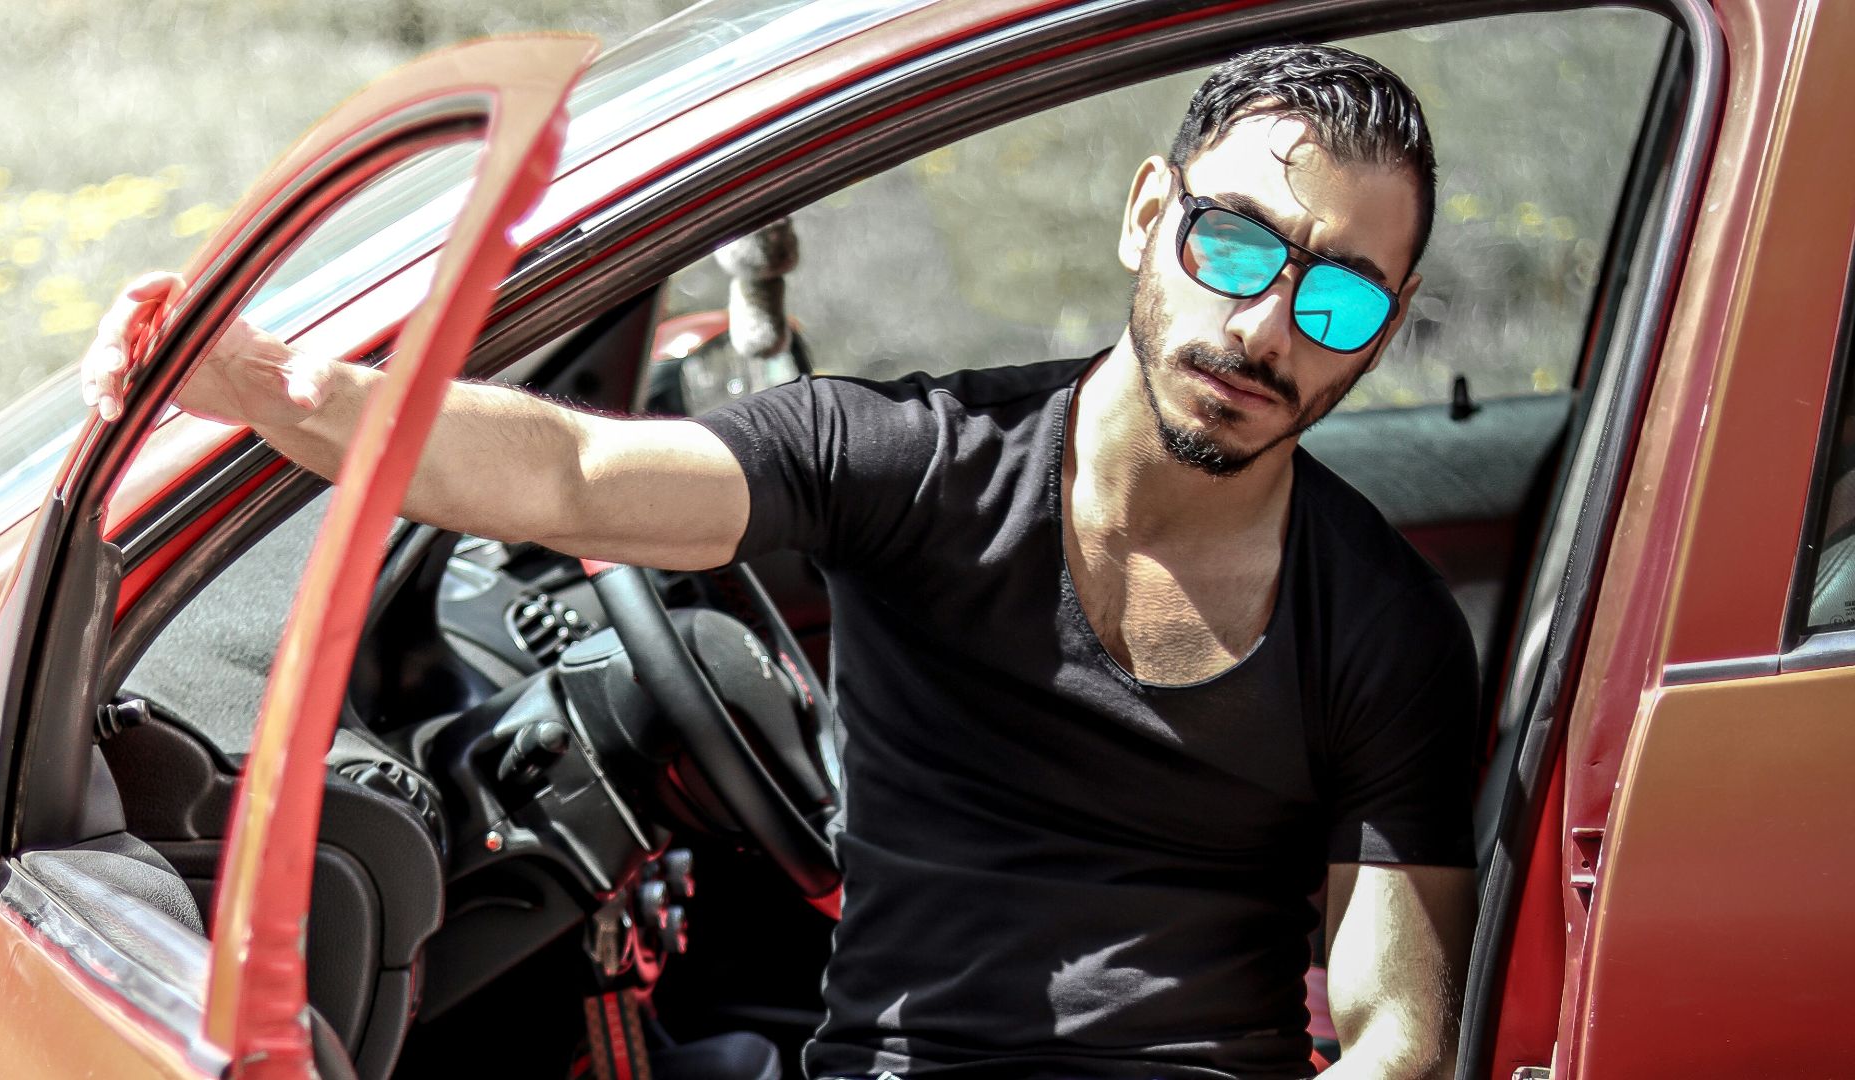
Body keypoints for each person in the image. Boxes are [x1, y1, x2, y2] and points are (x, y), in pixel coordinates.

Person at [84, 43, 1478, 1080]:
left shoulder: (1383, 625)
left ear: (1389, 322)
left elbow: (1396, 1031)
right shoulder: (919, 461)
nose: (1267, 326)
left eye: (1341, 294)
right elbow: (572, 477)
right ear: (1147, 216)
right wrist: (274, 388)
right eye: (1234, 243)